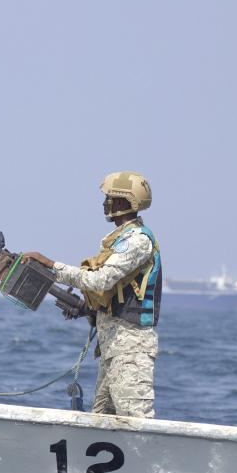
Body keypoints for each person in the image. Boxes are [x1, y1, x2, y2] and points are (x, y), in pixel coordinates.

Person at [23, 171, 161, 418]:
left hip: (130, 350)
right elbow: (113, 293)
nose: (105, 203)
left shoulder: (137, 241)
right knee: (102, 419)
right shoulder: (119, 241)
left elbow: (99, 280)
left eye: (110, 198)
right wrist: (87, 309)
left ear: (123, 202)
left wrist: (51, 266)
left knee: (135, 421)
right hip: (112, 348)